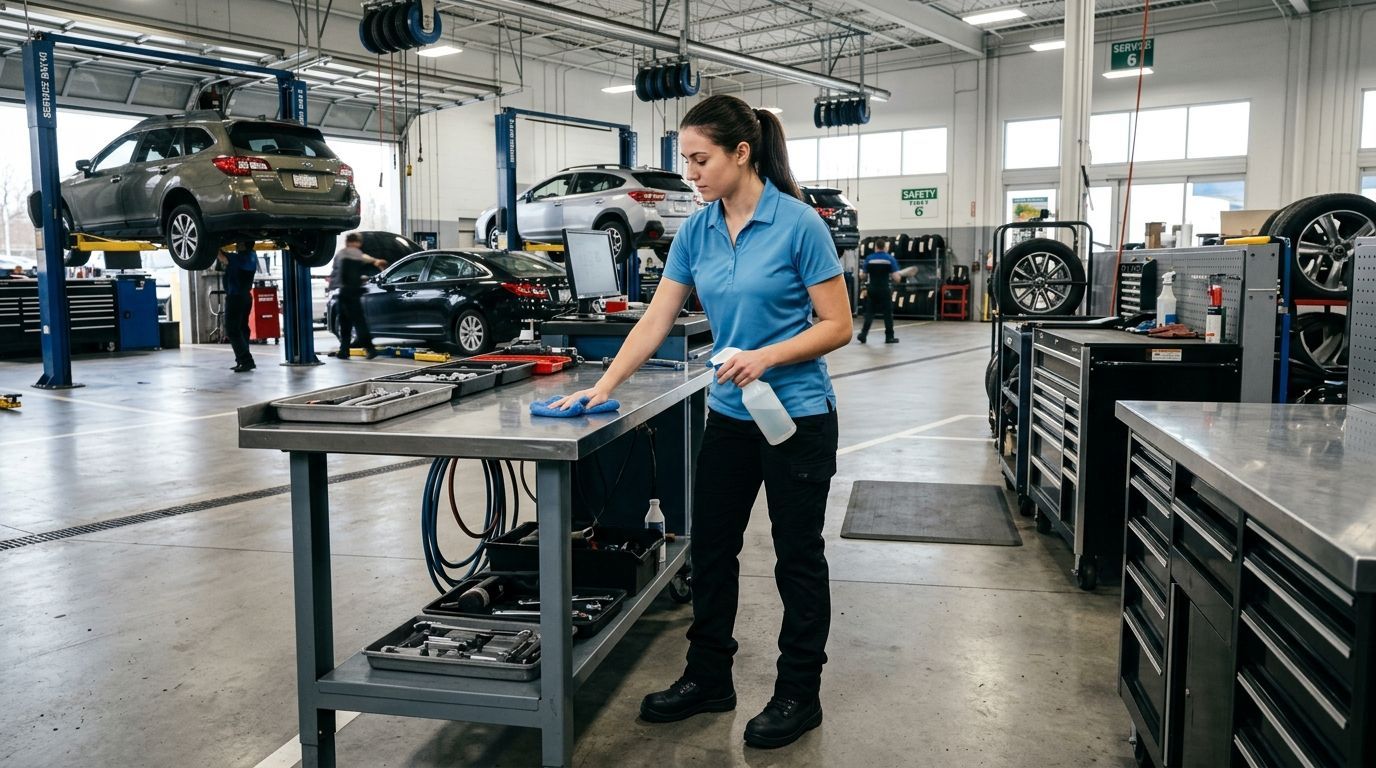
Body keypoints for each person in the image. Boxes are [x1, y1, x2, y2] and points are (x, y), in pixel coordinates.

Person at [552, 94, 851, 750]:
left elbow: (839, 326)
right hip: (730, 416)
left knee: (798, 557)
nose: (690, 172)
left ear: (741, 153)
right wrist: (601, 386)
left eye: (699, 159)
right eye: (684, 159)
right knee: (712, 549)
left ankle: (799, 692)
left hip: (797, 417)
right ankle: (708, 675)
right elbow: (657, 318)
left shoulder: (799, 225)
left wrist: (767, 355)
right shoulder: (698, 229)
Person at [332, 232, 387, 359]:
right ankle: (370, 349)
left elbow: (338, 274)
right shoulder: (354, 252)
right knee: (359, 323)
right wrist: (376, 261)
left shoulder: (340, 254)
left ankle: (344, 351)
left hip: (343, 293)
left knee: (345, 324)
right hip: (352, 294)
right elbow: (363, 257)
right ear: (357, 242)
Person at [218, 240, 258, 372]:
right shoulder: (252, 257)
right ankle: (242, 361)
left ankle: (246, 361)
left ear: (243, 245)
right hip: (246, 297)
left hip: (236, 298)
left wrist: (212, 244)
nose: (236, 244)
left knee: (232, 329)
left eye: (238, 242)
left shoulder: (237, 258)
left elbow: (222, 257)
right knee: (242, 329)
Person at [858, 238, 900, 344]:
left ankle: (863, 335)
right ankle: (889, 337)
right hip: (884, 289)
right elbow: (896, 278)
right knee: (887, 314)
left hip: (872, 289)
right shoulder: (890, 259)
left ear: (875, 247)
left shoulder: (869, 258)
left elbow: (863, 276)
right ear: (885, 247)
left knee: (870, 313)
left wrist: (862, 275)